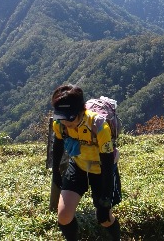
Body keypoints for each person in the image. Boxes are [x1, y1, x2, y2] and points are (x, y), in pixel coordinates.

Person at [51, 84, 121, 241]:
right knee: (64, 216)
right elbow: (58, 145)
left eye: (69, 118)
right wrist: (55, 172)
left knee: (104, 219)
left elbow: (108, 165)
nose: (65, 123)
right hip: (78, 166)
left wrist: (105, 200)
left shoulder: (99, 125)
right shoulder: (60, 124)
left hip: (101, 171)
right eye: (61, 117)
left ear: (81, 110)